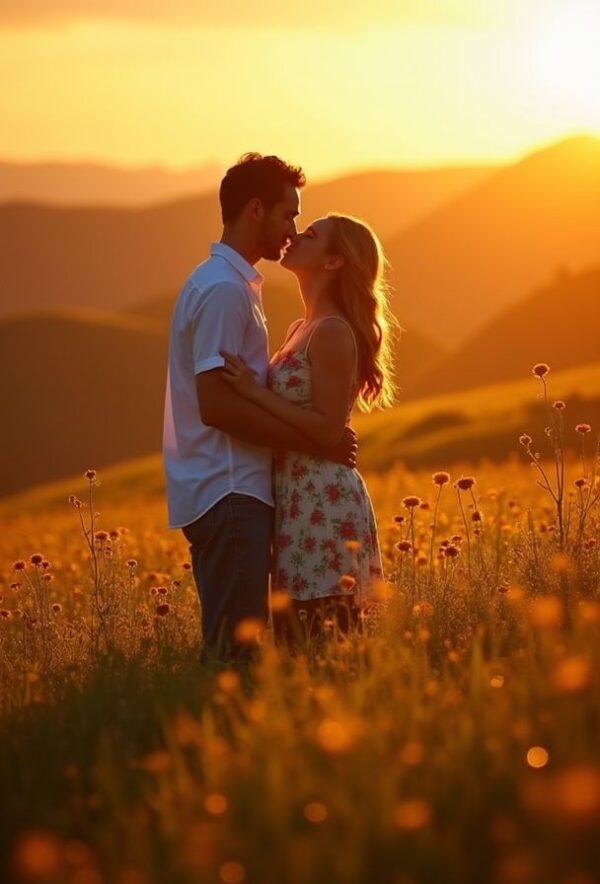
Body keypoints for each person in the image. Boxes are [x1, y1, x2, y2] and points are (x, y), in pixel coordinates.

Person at [162, 154, 357, 662]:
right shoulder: (225, 290)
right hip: (228, 489)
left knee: (248, 648)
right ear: (255, 210)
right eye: (289, 214)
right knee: (236, 655)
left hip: (238, 491)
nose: (292, 228)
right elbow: (217, 406)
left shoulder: (232, 285)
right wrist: (320, 440)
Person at [221, 212, 396, 640]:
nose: (295, 235)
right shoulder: (302, 327)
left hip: (324, 503)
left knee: (325, 638)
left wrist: (253, 392)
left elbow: (327, 432)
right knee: (298, 640)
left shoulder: (333, 331)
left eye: (311, 235)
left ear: (334, 262)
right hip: (299, 502)